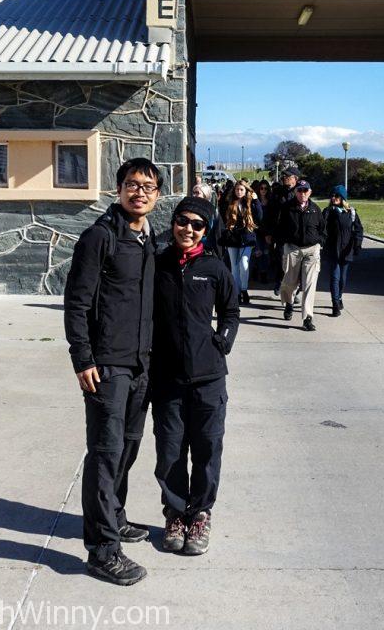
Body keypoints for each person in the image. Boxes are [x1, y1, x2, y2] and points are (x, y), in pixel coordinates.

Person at [64, 157, 162, 587]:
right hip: (106, 366)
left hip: (142, 364)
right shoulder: (98, 237)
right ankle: (102, 551)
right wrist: (83, 358)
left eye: (148, 186)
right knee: (105, 453)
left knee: (128, 448)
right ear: (118, 189)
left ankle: (114, 517)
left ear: (157, 195)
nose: (139, 191)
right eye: (131, 184)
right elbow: (77, 303)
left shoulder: (149, 239)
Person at [152, 196, 239, 555]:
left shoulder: (215, 268)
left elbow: (231, 311)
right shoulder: (157, 264)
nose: (188, 229)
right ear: (173, 222)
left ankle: (199, 514)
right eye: (182, 221)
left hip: (208, 378)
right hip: (168, 377)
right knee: (170, 449)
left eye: (197, 224)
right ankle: (175, 513)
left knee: (206, 449)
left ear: (206, 230)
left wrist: (222, 343)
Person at [277, 179, 325, 331]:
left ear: (310, 192)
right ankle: (289, 303)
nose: (303, 193)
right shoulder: (287, 208)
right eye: (300, 190)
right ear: (295, 192)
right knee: (289, 283)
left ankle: (307, 317)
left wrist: (320, 242)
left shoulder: (315, 209)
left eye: (305, 191)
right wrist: (284, 242)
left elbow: (323, 230)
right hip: (293, 248)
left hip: (312, 250)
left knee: (310, 284)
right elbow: (279, 227)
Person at [322, 184, 364, 317]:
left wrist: (357, 245)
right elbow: (321, 228)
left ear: (343, 198)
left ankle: (339, 297)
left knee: (342, 279)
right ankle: (335, 305)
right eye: (332, 195)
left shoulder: (351, 213)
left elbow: (358, 230)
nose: (334, 198)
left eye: (337, 196)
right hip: (332, 250)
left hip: (346, 250)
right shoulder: (327, 212)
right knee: (335, 277)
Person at [222, 180, 262, 305]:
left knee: (244, 265)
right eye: (237, 189)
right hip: (232, 238)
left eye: (241, 189)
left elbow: (259, 217)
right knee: (234, 267)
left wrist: (256, 201)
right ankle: (237, 292)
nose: (239, 192)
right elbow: (223, 217)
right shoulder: (229, 202)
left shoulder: (250, 203)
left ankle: (244, 289)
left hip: (247, 238)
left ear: (246, 191)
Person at [265, 167, 300, 295]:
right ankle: (279, 282)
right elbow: (269, 213)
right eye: (284, 176)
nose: (285, 178)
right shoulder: (277, 192)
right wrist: (268, 232)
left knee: (295, 264)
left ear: (295, 179)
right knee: (280, 259)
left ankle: (295, 290)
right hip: (279, 233)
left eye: (288, 176)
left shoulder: (300, 192)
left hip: (295, 234)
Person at [192, 181, 225, 259]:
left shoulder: (213, 212)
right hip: (193, 249)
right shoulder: (190, 210)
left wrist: (219, 255)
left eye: (197, 193)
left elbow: (218, 234)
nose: (194, 195)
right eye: (193, 192)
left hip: (208, 251)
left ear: (205, 195)